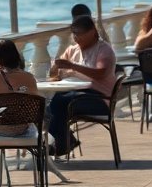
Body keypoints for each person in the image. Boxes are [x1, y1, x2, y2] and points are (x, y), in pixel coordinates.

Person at [47, 15, 116, 158]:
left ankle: (58, 143)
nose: (76, 38)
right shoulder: (73, 50)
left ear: (91, 32)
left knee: (59, 103)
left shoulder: (104, 50)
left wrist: (73, 66)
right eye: (74, 34)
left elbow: (100, 73)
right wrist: (56, 67)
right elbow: (54, 72)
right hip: (77, 94)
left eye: (79, 34)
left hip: (100, 98)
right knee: (53, 105)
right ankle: (65, 141)